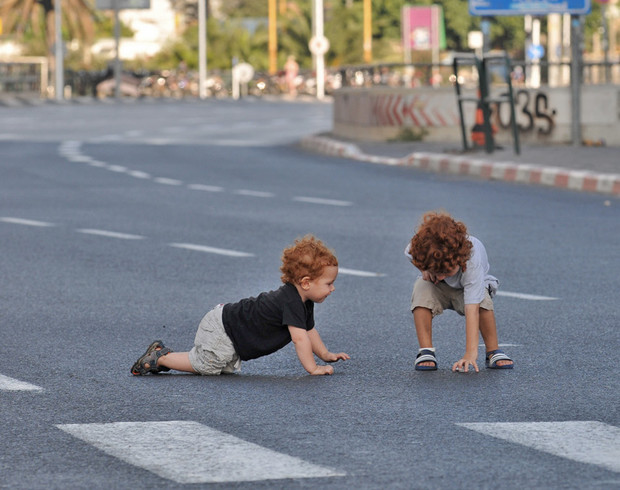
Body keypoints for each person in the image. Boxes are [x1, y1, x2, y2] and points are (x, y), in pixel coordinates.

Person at [131, 235, 350, 376]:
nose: (332, 289)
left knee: (222, 368)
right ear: (306, 282)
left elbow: (309, 330)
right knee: (207, 365)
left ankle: (162, 357)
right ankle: (161, 357)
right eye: (329, 283)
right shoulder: (291, 301)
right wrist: (313, 368)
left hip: (229, 328)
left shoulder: (304, 301)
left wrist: (325, 354)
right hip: (223, 328)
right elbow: (299, 338)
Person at [405, 211, 513, 373]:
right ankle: (426, 351)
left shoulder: (471, 262)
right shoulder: (419, 247)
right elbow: (409, 253)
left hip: (467, 290)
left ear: (459, 259)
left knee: (483, 302)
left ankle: (492, 351)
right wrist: (425, 270)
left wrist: (470, 353)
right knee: (421, 288)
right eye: (437, 271)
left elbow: (472, 309)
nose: (440, 276)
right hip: (437, 288)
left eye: (446, 271)